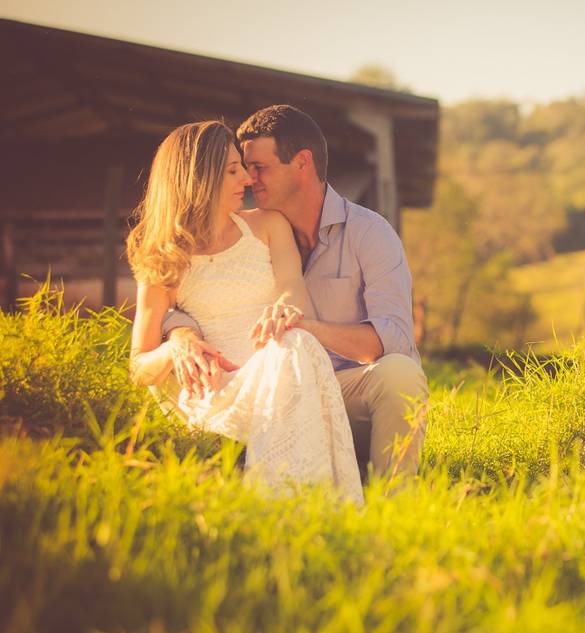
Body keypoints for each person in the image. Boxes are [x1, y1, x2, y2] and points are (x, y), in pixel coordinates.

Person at [162, 105, 428, 482]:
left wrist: (306, 328)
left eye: (260, 167)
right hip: (267, 392)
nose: (248, 179)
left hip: (343, 391)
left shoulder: (370, 234)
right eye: (241, 167)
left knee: (400, 373)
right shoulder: (252, 232)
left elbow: (395, 340)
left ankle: (394, 505)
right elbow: (194, 284)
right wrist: (179, 328)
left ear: (302, 163)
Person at [127, 121, 364, 503]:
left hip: (277, 369)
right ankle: (292, 503)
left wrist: (283, 309)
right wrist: (176, 348)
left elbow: (292, 288)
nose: (248, 180)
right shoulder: (163, 257)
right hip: (218, 390)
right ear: (198, 178)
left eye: (244, 167)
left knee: (296, 342)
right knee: (295, 348)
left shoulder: (267, 226)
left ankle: (285, 499)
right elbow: (138, 367)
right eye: (233, 170)